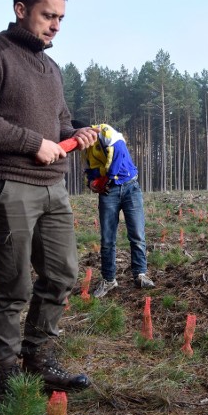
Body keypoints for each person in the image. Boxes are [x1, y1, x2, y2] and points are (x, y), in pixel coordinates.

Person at [0, 0, 97, 404]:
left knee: (62, 274)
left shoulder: (51, 69)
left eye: (61, 18)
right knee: (11, 287)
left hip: (54, 187)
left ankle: (38, 358)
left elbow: (60, 124)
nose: (55, 25)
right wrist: (33, 144)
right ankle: (6, 380)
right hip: (9, 184)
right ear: (21, 9)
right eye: (47, 15)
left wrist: (77, 133)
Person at [78, 122, 154, 298]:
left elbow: (119, 150)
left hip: (129, 187)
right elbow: (90, 171)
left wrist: (108, 178)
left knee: (137, 234)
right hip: (108, 192)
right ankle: (109, 279)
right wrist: (91, 183)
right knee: (107, 238)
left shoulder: (105, 131)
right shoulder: (87, 150)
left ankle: (140, 274)